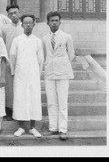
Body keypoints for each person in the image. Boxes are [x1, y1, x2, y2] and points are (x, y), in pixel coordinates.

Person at [9, 14, 44, 138]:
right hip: (20, 74)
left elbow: (41, 60)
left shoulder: (37, 41)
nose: (28, 25)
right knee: (20, 99)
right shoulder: (17, 40)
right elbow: (12, 57)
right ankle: (21, 127)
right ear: (22, 25)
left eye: (30, 22)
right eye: (25, 23)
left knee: (34, 99)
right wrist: (14, 72)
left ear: (34, 24)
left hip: (33, 75)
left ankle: (33, 127)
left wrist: (37, 75)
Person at [42, 11, 75, 141]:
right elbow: (44, 56)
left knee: (62, 102)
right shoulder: (44, 39)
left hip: (63, 73)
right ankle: (53, 128)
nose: (54, 22)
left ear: (60, 22)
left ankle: (63, 129)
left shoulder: (67, 37)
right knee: (51, 102)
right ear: (47, 23)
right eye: (52, 20)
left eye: (56, 20)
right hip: (50, 73)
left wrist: (61, 64)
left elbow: (71, 55)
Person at [0, 4, 24, 121]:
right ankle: (9, 109)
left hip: (22, 61)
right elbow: (2, 45)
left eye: (15, 12)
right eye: (11, 13)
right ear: (8, 15)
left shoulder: (24, 27)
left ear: (19, 12)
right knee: (9, 87)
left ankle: (20, 110)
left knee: (20, 86)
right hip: (8, 61)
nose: (13, 15)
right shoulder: (5, 28)